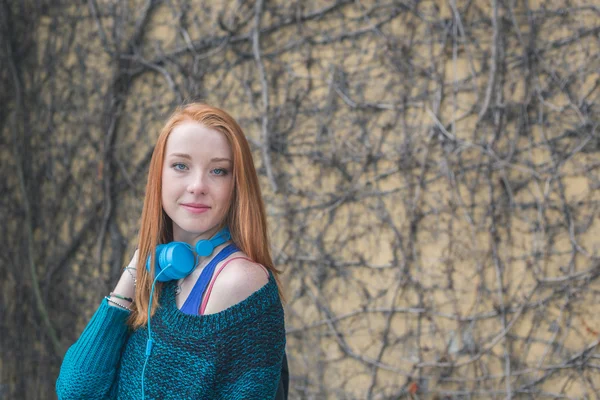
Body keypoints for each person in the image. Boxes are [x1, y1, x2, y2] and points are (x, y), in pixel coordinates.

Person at [56, 103, 288, 399]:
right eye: (181, 166)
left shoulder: (238, 281)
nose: (197, 185)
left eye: (218, 171)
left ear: (236, 185)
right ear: (159, 176)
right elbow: (77, 392)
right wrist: (138, 266)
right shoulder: (163, 271)